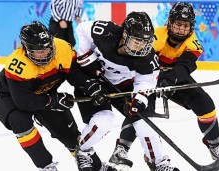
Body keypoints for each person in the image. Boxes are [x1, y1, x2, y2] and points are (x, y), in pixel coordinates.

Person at [109, 2, 219, 170]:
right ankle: (121, 149)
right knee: (140, 109)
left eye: (185, 25)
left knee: (205, 104)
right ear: (169, 22)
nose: (181, 29)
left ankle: (214, 145)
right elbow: (141, 62)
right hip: (147, 78)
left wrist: (171, 78)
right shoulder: (155, 37)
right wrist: (158, 77)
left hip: (173, 80)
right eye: (177, 24)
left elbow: (185, 66)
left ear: (191, 27)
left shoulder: (193, 43)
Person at [74, 12, 179, 171]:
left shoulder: (147, 58)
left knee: (145, 122)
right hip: (94, 83)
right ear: (124, 35)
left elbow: (145, 81)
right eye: (137, 41)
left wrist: (139, 100)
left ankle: (159, 163)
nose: (141, 47)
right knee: (104, 121)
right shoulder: (105, 32)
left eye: (145, 42)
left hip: (123, 86)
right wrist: (85, 55)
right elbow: (82, 29)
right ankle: (83, 152)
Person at [0, 21, 92, 171]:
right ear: (25, 48)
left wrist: (89, 86)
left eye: (46, 48)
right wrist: (52, 101)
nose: (44, 53)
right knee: (20, 120)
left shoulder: (63, 48)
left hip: (43, 94)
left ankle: (94, 165)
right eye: (37, 50)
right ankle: (46, 166)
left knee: (68, 132)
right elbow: (24, 102)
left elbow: (74, 73)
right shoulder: (17, 64)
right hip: (11, 99)